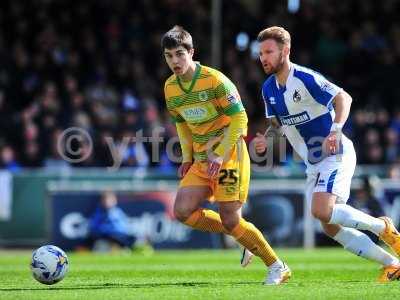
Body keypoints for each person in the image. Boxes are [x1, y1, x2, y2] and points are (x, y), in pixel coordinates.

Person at [253, 26, 400, 282]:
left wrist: (335, 130)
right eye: (261, 53)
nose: (263, 57)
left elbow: (345, 98)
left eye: (268, 52)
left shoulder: (305, 78)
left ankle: (383, 227)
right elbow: (277, 123)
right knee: (329, 226)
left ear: (285, 51)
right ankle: (392, 264)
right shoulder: (268, 89)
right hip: (314, 162)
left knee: (323, 210)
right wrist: (266, 140)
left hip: (335, 152)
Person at [162, 25, 290, 285]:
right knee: (183, 211)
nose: (174, 61)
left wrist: (219, 154)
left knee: (231, 219)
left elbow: (240, 119)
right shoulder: (170, 88)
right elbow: (182, 125)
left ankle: (277, 266)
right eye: (168, 56)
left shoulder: (215, 80)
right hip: (200, 159)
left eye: (179, 54)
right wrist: (187, 158)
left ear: (191, 52)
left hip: (229, 155)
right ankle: (240, 235)